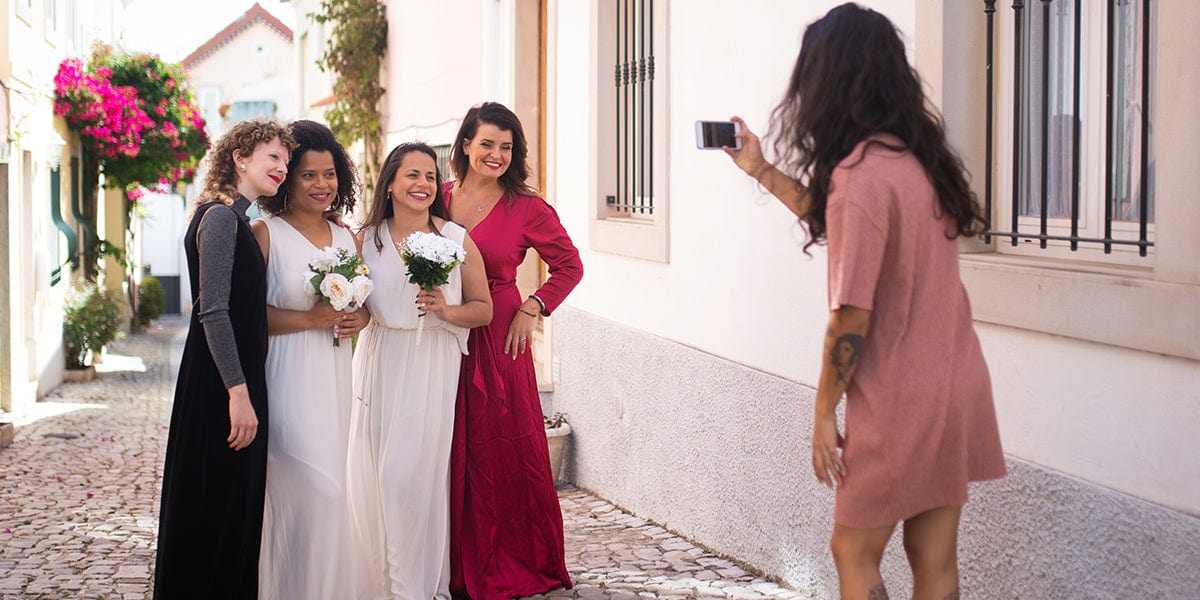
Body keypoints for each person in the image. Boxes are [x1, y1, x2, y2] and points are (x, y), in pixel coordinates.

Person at [724, 5, 1006, 600]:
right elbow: (839, 221)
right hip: (954, 379)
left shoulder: (861, 175)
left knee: (853, 549)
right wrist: (761, 170)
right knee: (934, 556)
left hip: (900, 394)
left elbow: (852, 314)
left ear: (826, 81)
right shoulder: (914, 161)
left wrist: (825, 410)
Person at [444, 102, 582, 599]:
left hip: (501, 335)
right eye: (487, 144)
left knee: (501, 445)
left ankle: (513, 560)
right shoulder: (437, 199)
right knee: (448, 442)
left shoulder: (527, 207)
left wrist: (533, 306)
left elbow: (569, 265)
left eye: (506, 147)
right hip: (442, 333)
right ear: (465, 145)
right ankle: (450, 564)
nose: (496, 155)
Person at [153, 119, 294, 599]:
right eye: (272, 157)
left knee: (234, 508)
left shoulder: (239, 218)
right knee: (214, 508)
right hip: (219, 387)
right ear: (239, 157)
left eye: (286, 160)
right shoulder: (218, 218)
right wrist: (238, 391)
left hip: (235, 382)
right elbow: (212, 311)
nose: (283, 167)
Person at [347, 142, 493, 599]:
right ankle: (380, 585)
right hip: (378, 360)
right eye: (412, 175)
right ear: (390, 181)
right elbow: (365, 305)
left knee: (406, 477)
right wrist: (355, 316)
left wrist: (447, 312)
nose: (423, 184)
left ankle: (412, 588)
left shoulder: (455, 239)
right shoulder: (364, 238)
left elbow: (484, 309)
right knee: (373, 474)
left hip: (430, 363)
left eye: (430, 176)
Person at [250, 120, 368, 599]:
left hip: (335, 378)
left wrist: (358, 318)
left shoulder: (345, 237)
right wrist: (311, 320)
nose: (323, 185)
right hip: (286, 376)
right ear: (286, 180)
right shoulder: (265, 235)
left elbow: (360, 306)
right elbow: (250, 316)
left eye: (330, 174)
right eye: (308, 175)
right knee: (310, 492)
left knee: (333, 494)